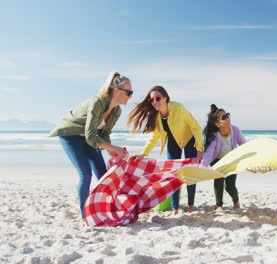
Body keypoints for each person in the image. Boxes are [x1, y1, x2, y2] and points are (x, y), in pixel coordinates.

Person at [49, 72, 132, 217]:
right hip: (71, 135)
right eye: (128, 92)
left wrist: (110, 149)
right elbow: (90, 135)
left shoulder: (117, 110)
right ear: (116, 90)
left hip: (90, 137)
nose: (130, 96)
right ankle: (85, 215)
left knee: (103, 175)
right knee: (85, 174)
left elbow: (104, 133)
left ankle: (106, 209)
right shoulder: (98, 102)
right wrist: (111, 147)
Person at [127, 85, 204, 214]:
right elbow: (155, 136)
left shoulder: (178, 108)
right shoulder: (156, 116)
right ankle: (175, 208)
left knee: (190, 172)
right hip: (173, 141)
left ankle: (190, 206)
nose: (155, 102)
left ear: (165, 98)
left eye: (158, 98)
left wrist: (199, 148)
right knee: (173, 173)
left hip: (190, 138)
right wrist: (143, 153)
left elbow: (195, 126)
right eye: (151, 100)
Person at [201, 104, 246, 212]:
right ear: (217, 124)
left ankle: (236, 201)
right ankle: (219, 205)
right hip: (217, 160)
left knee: (230, 186)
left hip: (231, 160)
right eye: (223, 117)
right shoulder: (214, 135)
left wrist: (250, 158)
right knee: (219, 180)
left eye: (227, 115)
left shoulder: (235, 130)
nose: (227, 118)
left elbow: (244, 145)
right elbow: (209, 152)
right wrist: (201, 167)